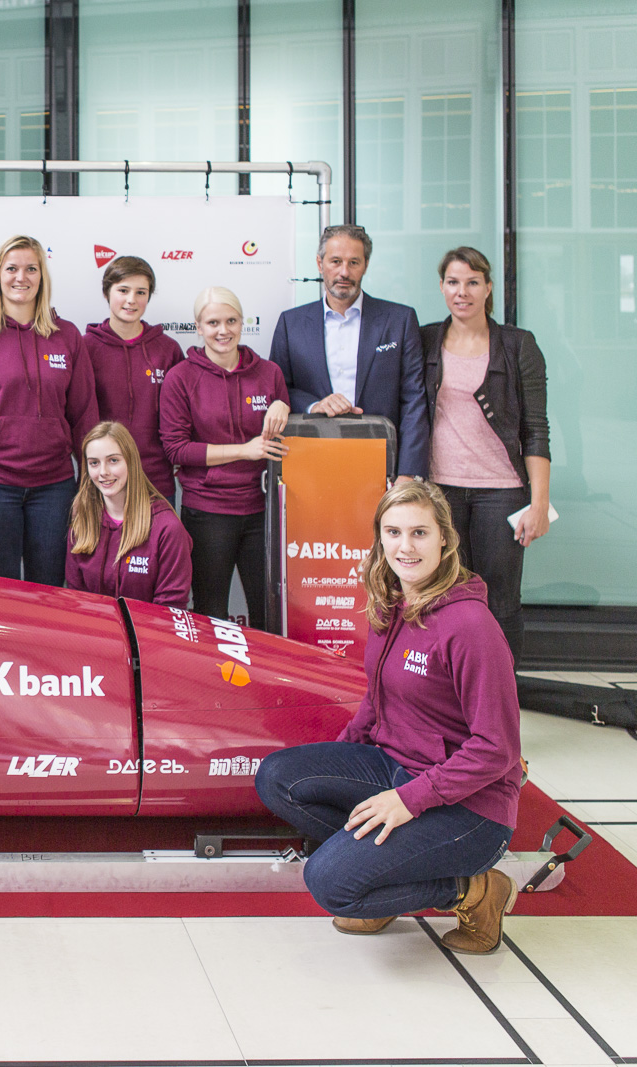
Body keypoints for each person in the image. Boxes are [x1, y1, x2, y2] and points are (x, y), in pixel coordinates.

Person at [256, 481, 522, 954]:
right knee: (281, 777)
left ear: (445, 538)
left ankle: (475, 890)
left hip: (470, 808)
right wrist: (338, 758)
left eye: (420, 532)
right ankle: (382, 872)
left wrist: (410, 800)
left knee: (329, 884)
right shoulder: (393, 603)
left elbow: (497, 749)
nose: (406, 546)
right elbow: (378, 702)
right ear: (380, 539)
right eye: (393, 532)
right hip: (395, 765)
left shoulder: (471, 628)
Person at [421, 247, 551, 663]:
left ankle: (502, 699)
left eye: (473, 282)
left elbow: (536, 429)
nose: (463, 292)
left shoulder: (517, 345)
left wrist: (540, 503)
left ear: (488, 287)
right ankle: (453, 691)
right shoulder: (425, 339)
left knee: (500, 601)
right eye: (454, 282)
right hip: (440, 491)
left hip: (501, 491)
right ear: (442, 287)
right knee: (444, 594)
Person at [0, 235, 97, 587]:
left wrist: (88, 479)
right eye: (11, 268)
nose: (21, 277)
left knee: (50, 587)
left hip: (54, 486)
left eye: (31, 269)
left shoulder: (67, 336)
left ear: (42, 277)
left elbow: (84, 415)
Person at [159, 287, 289, 629]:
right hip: (208, 513)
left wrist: (284, 404)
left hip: (263, 511)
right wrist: (243, 451)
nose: (223, 330)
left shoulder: (270, 374)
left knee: (268, 612)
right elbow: (177, 449)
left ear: (242, 323)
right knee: (209, 610)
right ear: (198, 327)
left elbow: (285, 440)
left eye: (231, 320)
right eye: (213, 322)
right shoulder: (180, 378)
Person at [269, 224, 428, 481]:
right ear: (320, 264)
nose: (344, 272)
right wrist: (313, 405)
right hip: (309, 458)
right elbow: (276, 389)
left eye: (354, 262)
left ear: (365, 265)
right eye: (336, 261)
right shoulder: (291, 323)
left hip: (382, 461)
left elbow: (414, 402)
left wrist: (408, 474)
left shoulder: (400, 320)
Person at [84, 256, 184, 500]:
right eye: (123, 290)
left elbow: (183, 415)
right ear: (107, 292)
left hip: (155, 479)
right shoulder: (85, 347)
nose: (131, 300)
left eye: (141, 292)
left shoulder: (168, 349)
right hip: (102, 481)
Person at [65, 422, 192, 606]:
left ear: (131, 461)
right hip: (96, 631)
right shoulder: (83, 520)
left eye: (113, 460)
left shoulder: (167, 528)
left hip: (148, 633)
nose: (103, 472)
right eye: (94, 463)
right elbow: (76, 598)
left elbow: (170, 608)